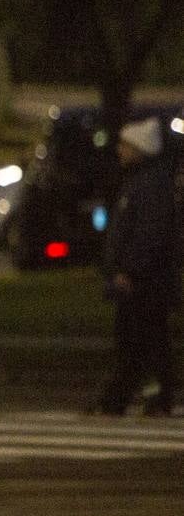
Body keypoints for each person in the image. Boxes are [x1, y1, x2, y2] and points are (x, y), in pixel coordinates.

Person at [95, 116, 181, 417]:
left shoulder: (148, 185)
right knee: (144, 339)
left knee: (142, 338)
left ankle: (129, 396)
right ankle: (132, 395)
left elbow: (149, 234)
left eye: (125, 145)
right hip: (145, 278)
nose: (120, 150)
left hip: (144, 281)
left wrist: (129, 271)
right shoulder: (143, 182)